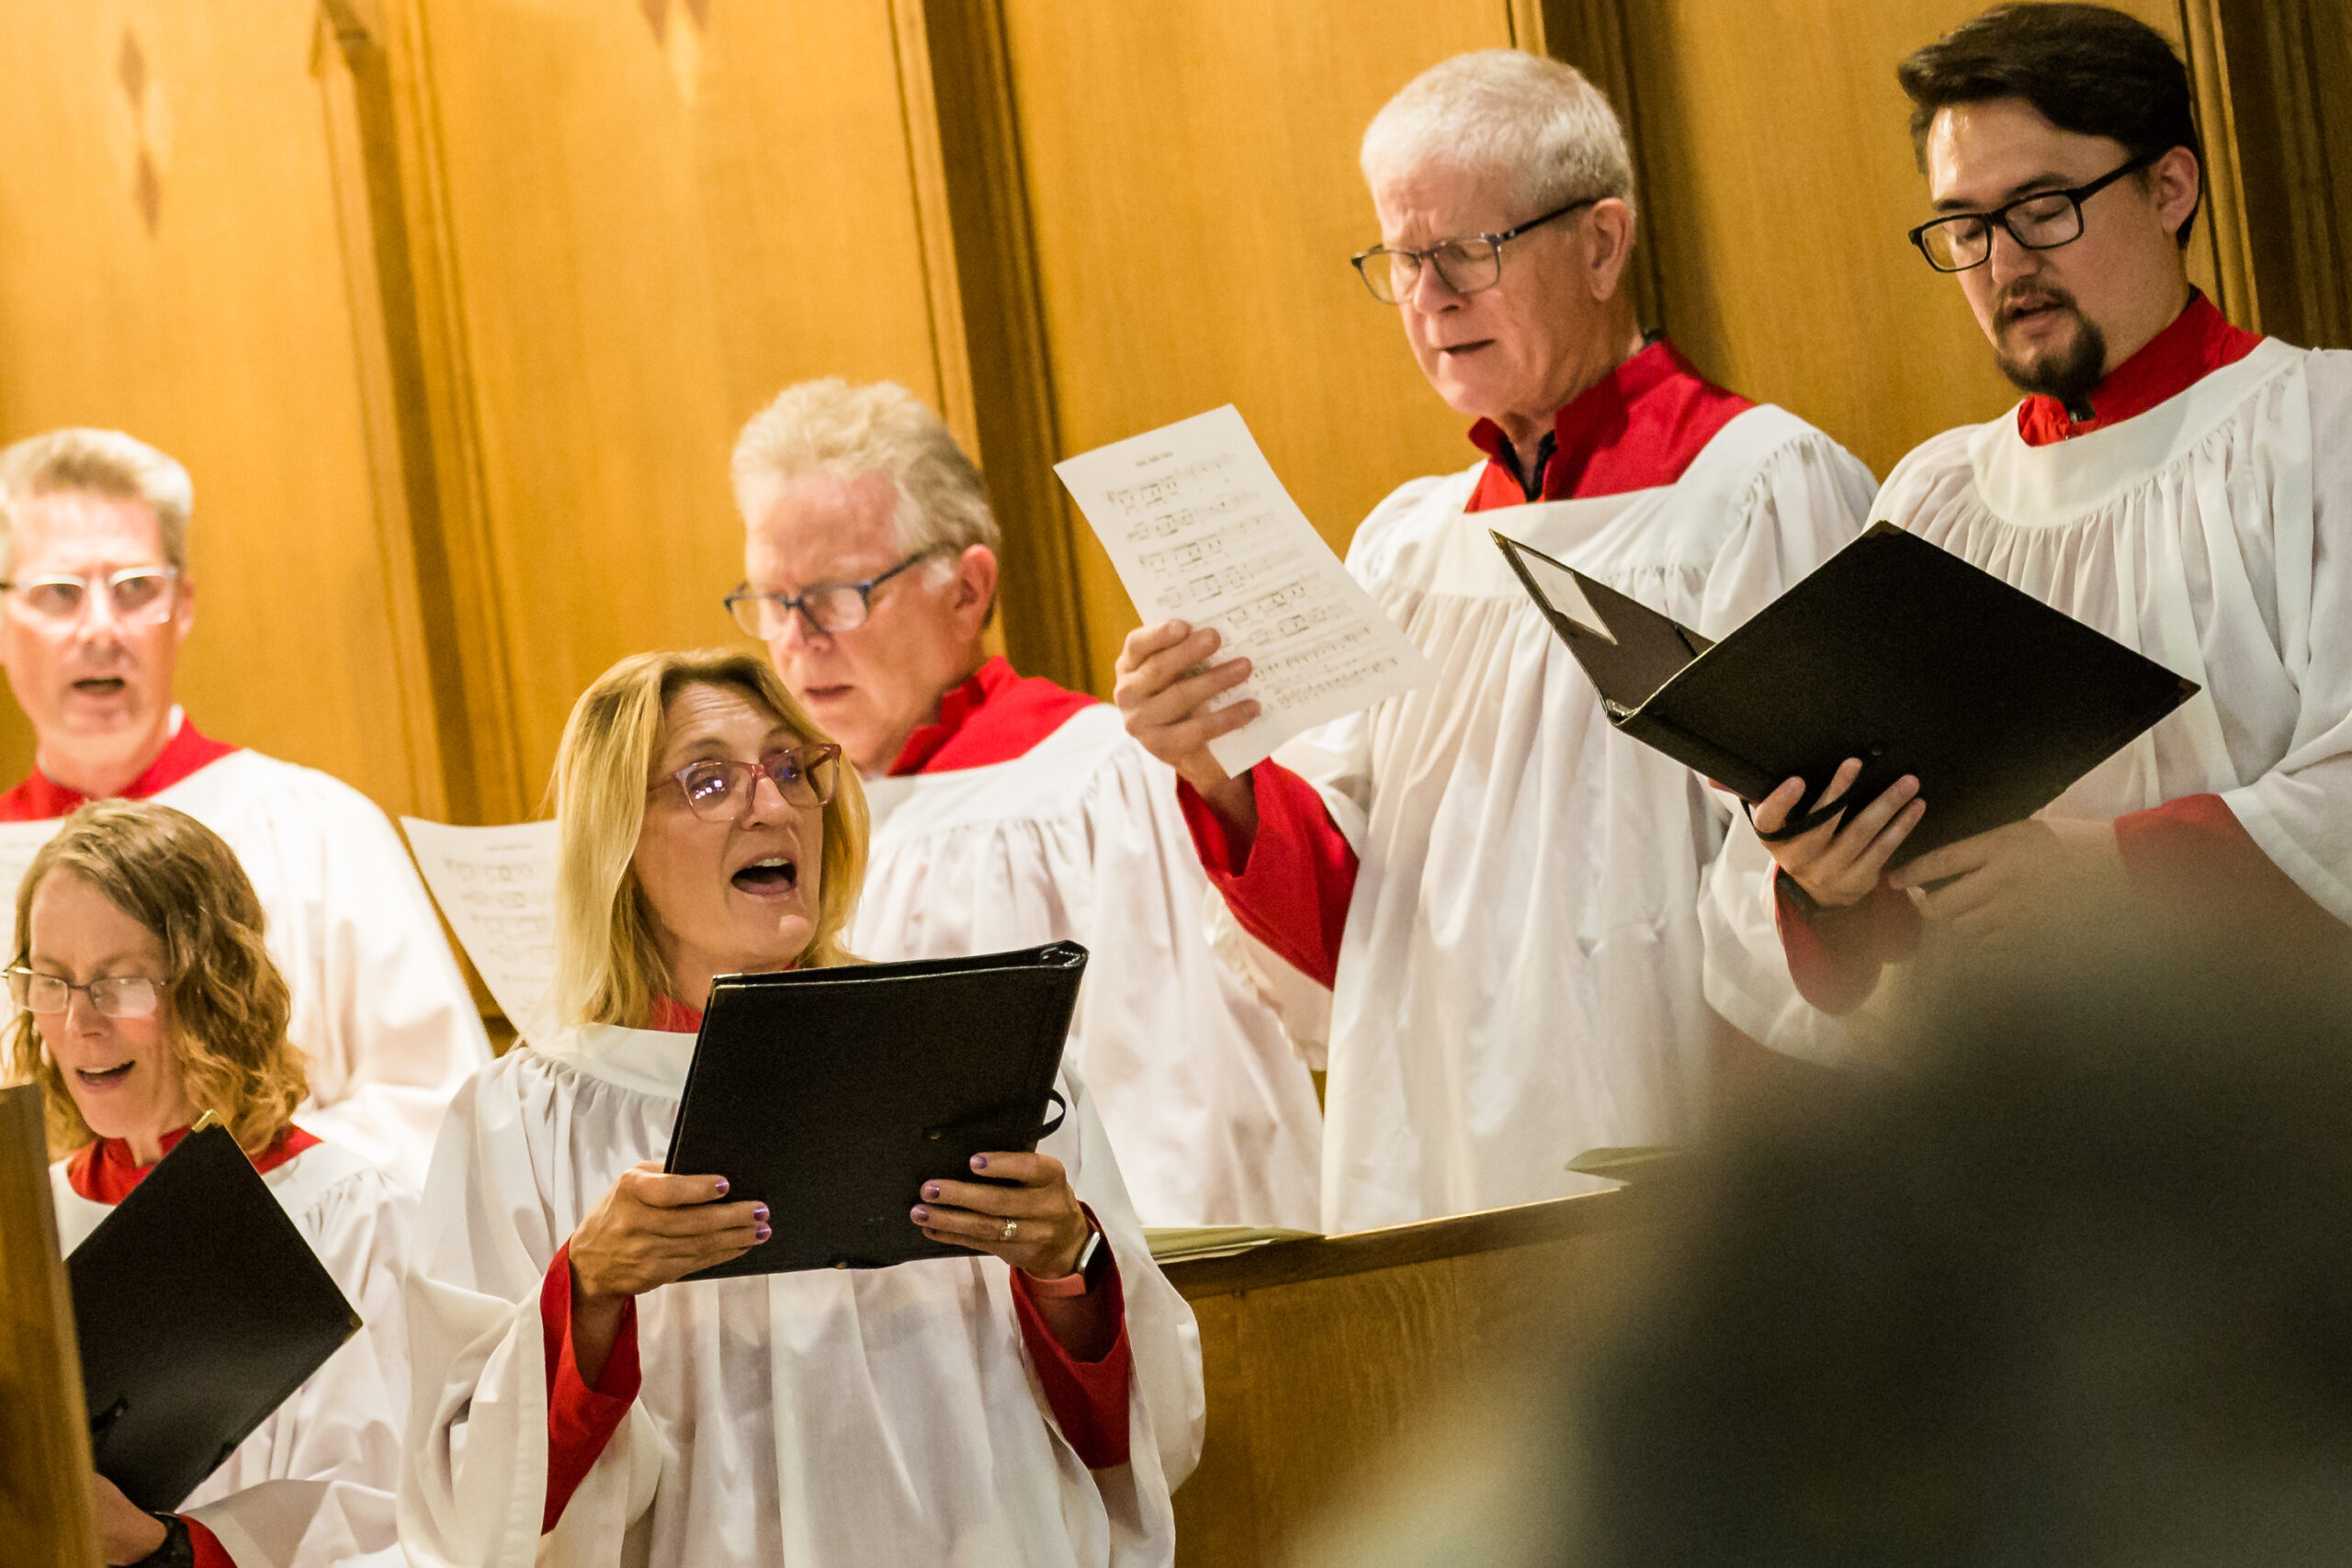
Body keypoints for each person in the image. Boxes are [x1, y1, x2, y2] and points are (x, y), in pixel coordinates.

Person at [1114, 50, 1877, 1231]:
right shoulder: (1403, 550)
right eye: (1401, 259)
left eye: (1468, 250)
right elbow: (1346, 929)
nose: (1430, 296)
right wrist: (1216, 771)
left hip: (1679, 1148)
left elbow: (1817, 878)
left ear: (1602, 242)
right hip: (1430, 1164)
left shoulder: (1756, 487)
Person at [398, 649, 1201, 1568]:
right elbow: (471, 1504)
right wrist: (587, 1292)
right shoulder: (524, 1121)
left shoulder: (979, 1060)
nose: (773, 807)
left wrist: (1069, 1269)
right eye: (708, 782)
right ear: (615, 839)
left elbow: (1148, 1438)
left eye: (791, 769)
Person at [1702, 3, 2352, 1057]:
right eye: (1964, 227)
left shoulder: (2324, 430)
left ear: (2169, 186)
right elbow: (1832, 941)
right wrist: (1829, 884)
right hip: (2011, 1142)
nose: (2003, 266)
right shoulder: (1931, 504)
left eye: (2042, 208)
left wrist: (2113, 871)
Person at [729, 378, 1320, 1229]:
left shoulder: (1092, 782)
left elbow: (1182, 1108)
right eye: (773, 603)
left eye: (835, 597)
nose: (798, 640)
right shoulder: (772, 826)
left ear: (968, 590)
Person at [0, 429, 490, 1187]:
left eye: (134, 588)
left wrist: (204, 1195)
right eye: (58, 594)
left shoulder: (317, 825)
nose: (101, 628)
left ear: (182, 604)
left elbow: (441, 1112)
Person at [8, 800, 413, 1568]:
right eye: (51, 981)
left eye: (118, 983)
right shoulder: (24, 1225)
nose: (77, 1025)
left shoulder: (349, 1216)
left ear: (214, 988)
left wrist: (170, 1549)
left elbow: (402, 1521)